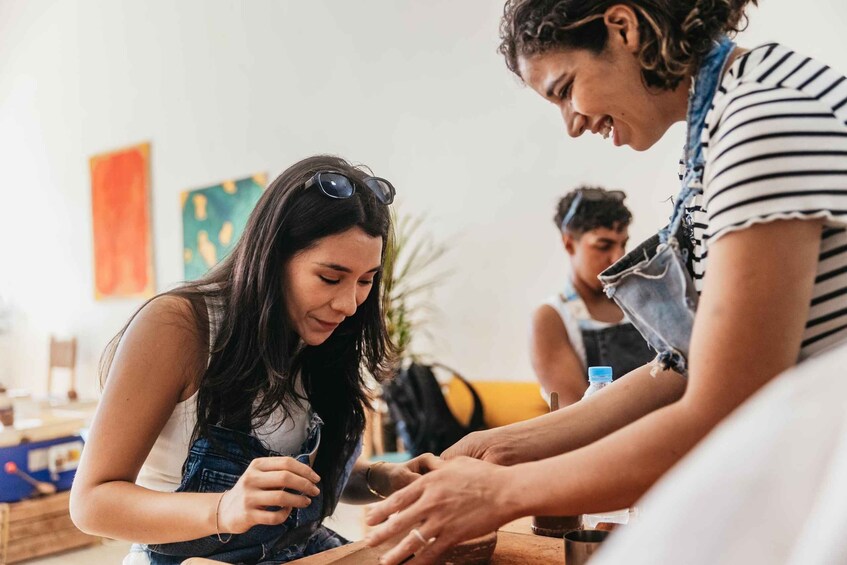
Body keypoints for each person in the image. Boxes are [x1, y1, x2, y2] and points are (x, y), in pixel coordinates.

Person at [364, 1, 847, 563]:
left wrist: (499, 493)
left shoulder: (760, 124)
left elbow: (720, 412)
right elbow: (684, 367)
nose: (572, 124)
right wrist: (500, 448)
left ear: (624, 28)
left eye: (566, 88)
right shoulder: (725, 126)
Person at [69, 155, 426, 565]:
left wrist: (379, 478)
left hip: (295, 549)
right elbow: (92, 503)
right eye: (330, 277)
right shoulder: (181, 326)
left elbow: (301, 475)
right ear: (273, 258)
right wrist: (224, 508)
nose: (348, 304)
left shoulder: (319, 334)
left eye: (365, 281)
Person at [531, 186, 653, 405]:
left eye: (622, 244)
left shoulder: (642, 301)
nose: (618, 257)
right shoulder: (551, 319)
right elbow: (575, 418)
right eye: (603, 246)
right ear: (569, 243)